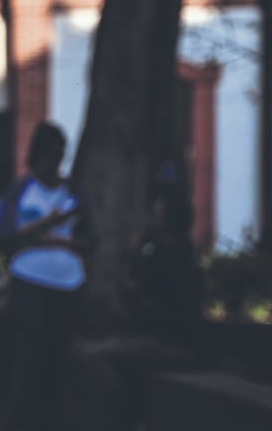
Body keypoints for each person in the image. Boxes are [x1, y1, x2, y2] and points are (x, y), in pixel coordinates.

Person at [66, 180, 203, 431]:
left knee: (90, 356)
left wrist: (136, 252)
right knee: (101, 348)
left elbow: (139, 297)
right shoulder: (184, 252)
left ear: (166, 220)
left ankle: (123, 418)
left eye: (156, 214)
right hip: (166, 340)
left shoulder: (167, 255)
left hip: (169, 345)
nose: (151, 219)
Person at [0, 121, 95, 431]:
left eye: (58, 156)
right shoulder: (22, 190)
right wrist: (45, 227)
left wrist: (65, 242)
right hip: (28, 280)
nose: (53, 163)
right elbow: (2, 233)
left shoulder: (74, 192)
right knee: (30, 354)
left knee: (59, 355)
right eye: (48, 156)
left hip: (68, 283)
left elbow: (92, 239)